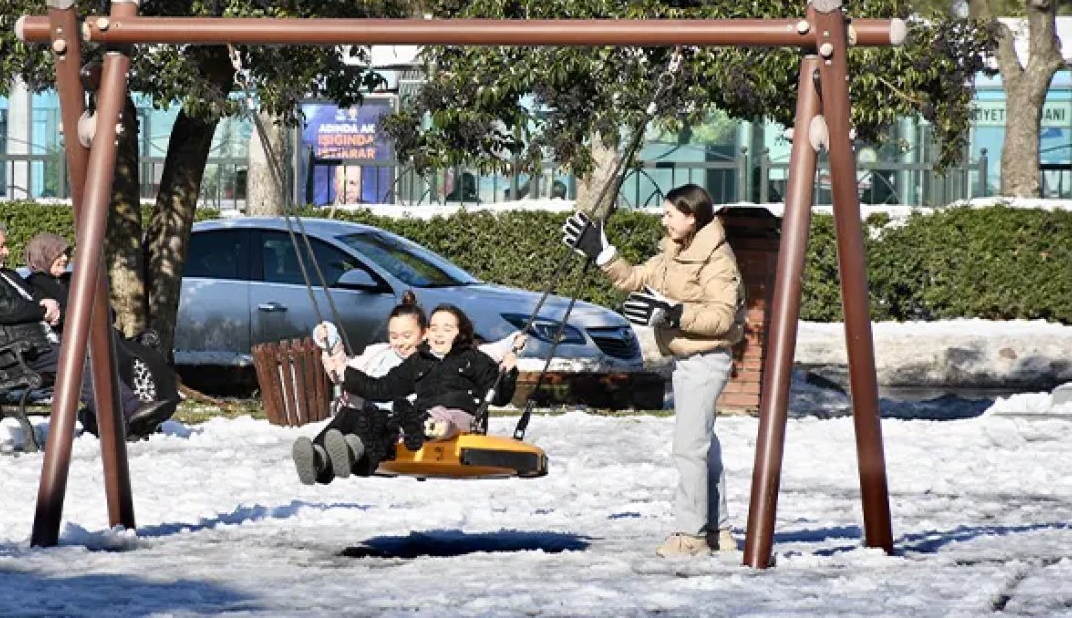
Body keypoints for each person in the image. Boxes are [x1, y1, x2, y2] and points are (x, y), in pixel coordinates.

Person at [562, 183, 745, 558]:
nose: (664, 221)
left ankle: (690, 536)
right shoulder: (675, 251)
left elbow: (722, 317)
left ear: (692, 217)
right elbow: (636, 281)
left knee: (689, 449)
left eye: (670, 215)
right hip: (688, 359)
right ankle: (718, 530)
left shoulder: (717, 259)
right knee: (704, 448)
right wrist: (603, 252)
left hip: (707, 360)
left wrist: (673, 314)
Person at [292, 299, 523, 485]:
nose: (439, 334)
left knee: (438, 416)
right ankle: (339, 454)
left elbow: (500, 397)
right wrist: (345, 375)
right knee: (378, 421)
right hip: (417, 416)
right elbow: (380, 387)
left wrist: (509, 370)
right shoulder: (418, 362)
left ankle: (426, 425)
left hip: (461, 418)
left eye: (447, 328)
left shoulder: (474, 358)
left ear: (460, 333)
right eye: (434, 328)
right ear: (427, 333)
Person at [0, 223, 148, 437]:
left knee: (90, 357)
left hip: (34, 345)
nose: (7, 251)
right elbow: (7, 309)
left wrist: (46, 303)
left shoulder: (3, 275)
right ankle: (129, 413)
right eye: (2, 246)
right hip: (11, 356)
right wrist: (42, 311)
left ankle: (121, 420)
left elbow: (28, 297)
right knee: (76, 363)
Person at [22, 231, 180, 438]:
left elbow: (105, 309)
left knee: (142, 353)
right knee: (113, 354)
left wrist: (97, 311)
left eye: (66, 254)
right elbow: (57, 317)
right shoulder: (35, 285)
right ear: (43, 256)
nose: (64, 259)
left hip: (99, 334)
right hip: (72, 341)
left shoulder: (72, 279)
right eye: (57, 254)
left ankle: (149, 407)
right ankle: (128, 416)